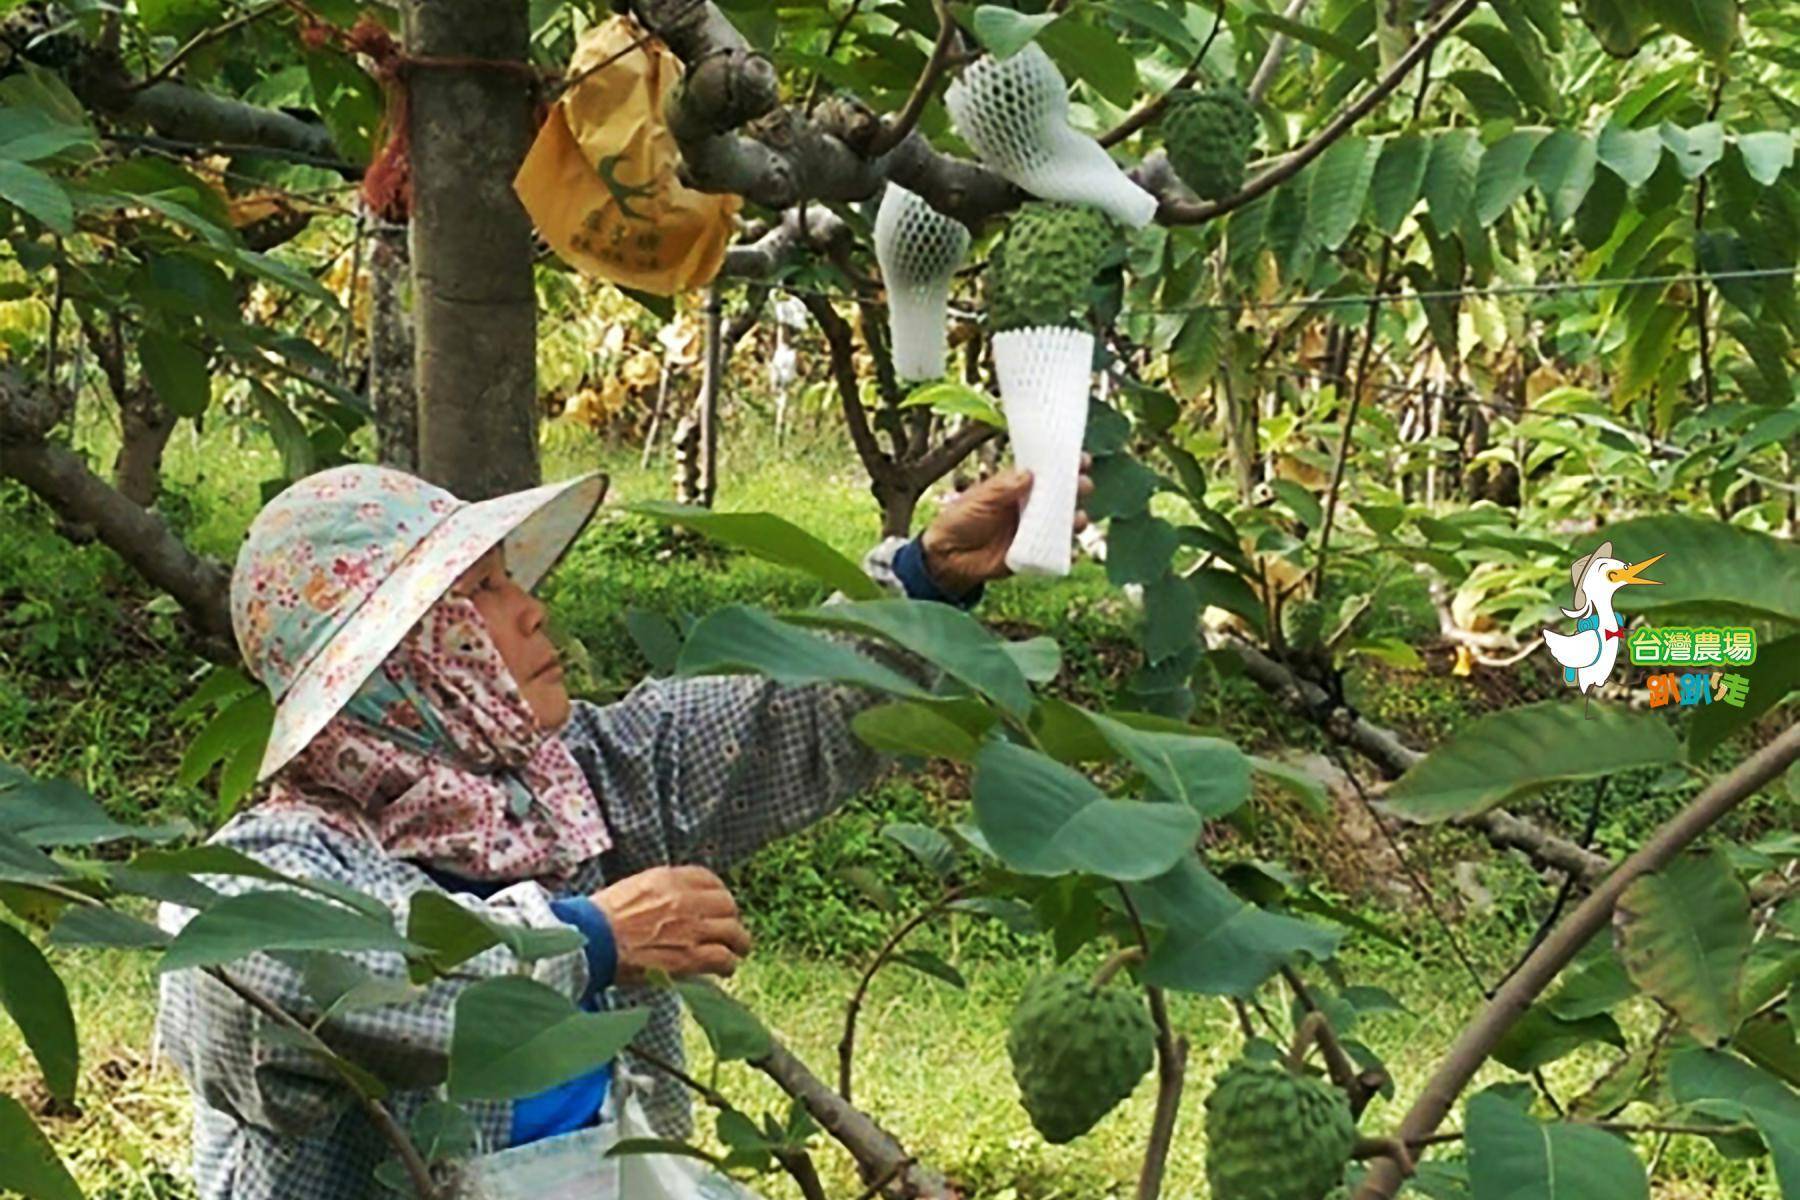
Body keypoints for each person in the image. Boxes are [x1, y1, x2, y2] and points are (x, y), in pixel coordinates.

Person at [155, 458, 1090, 1200]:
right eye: (481, 592)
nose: (531, 607)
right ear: (402, 660)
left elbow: (768, 718)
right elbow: (286, 982)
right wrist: (585, 943)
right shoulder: (281, 862)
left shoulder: (566, 785)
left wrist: (925, 585)